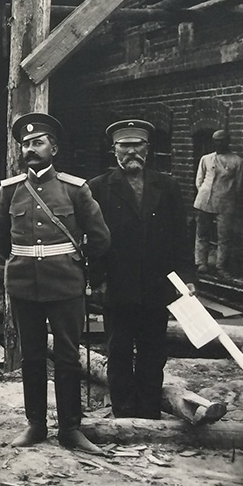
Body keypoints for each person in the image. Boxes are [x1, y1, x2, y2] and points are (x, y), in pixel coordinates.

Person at [0, 113, 111, 454]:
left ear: (54, 148)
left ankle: (70, 428)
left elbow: (100, 237)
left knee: (67, 356)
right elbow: (2, 241)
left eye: (38, 143)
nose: (31, 149)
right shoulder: (9, 190)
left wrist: (79, 263)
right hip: (24, 286)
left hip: (65, 284)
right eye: (26, 144)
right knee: (30, 357)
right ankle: (36, 425)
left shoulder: (76, 189)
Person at [89, 120, 189, 419]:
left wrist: (187, 279)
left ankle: (148, 411)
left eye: (138, 146)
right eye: (124, 146)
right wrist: (96, 280)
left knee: (153, 350)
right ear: (114, 151)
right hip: (117, 285)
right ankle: (123, 411)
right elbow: (92, 240)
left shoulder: (167, 186)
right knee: (118, 350)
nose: (131, 152)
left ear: (148, 149)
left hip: (157, 284)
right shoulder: (98, 187)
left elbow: (181, 236)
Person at [193, 129, 243, 278]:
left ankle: (220, 266)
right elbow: (199, 180)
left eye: (221, 140)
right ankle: (201, 263)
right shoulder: (206, 159)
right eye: (215, 140)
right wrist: (204, 192)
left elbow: (239, 186)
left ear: (228, 141)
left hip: (225, 202)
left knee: (224, 236)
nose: (218, 143)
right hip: (204, 201)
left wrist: (228, 197)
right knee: (202, 233)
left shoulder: (237, 161)